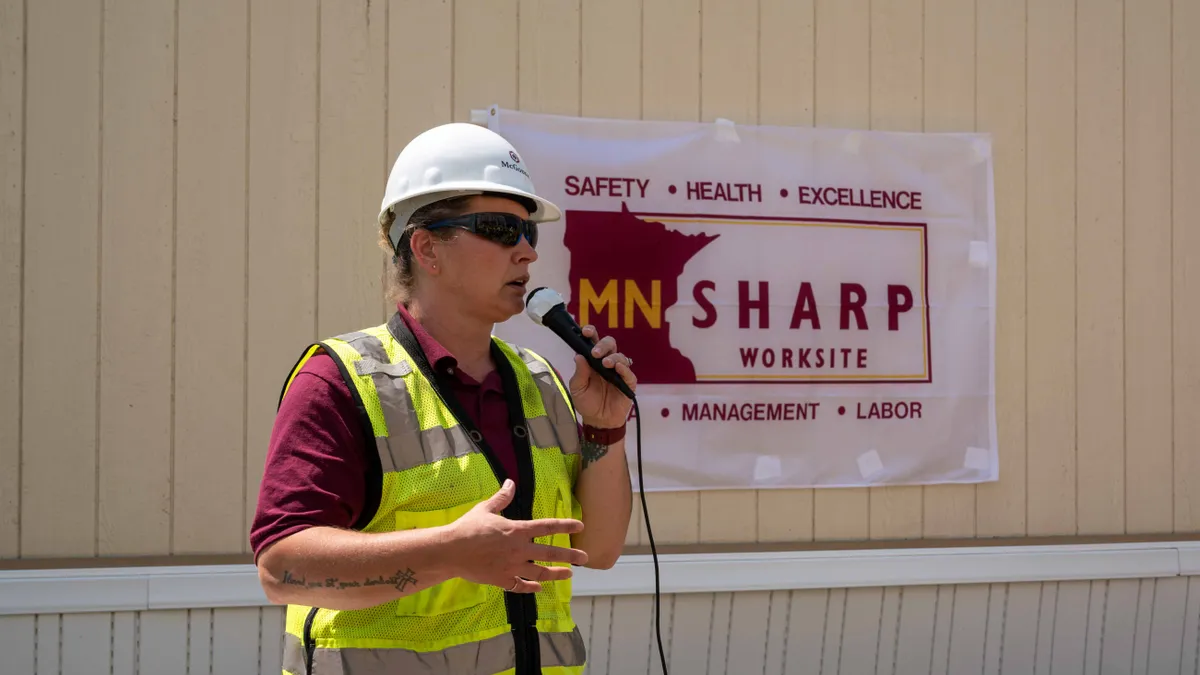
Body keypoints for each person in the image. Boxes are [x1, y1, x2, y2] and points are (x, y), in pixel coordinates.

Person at [250, 122, 635, 675]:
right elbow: (280, 570)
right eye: (500, 228)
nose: (526, 252)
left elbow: (597, 551)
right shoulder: (340, 380)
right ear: (427, 247)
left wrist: (604, 431)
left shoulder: (542, 381)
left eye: (531, 232)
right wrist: (451, 552)